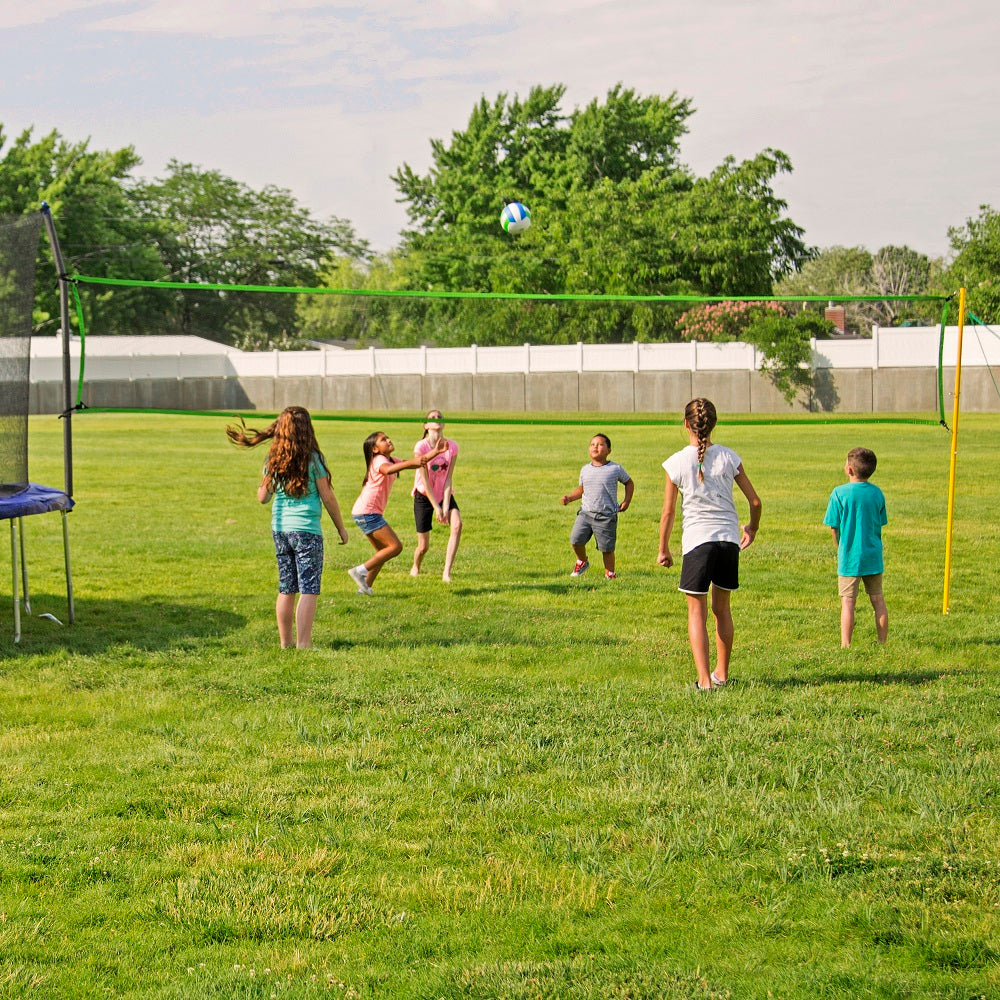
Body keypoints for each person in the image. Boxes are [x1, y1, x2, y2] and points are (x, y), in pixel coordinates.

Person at [658, 398, 762, 690]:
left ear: (685, 425)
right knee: (722, 609)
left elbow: (667, 512)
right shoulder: (729, 457)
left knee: (697, 612)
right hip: (728, 541)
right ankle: (722, 674)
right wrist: (751, 529)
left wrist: (663, 548)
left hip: (698, 543)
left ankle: (704, 681)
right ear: (714, 423)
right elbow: (755, 501)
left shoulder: (676, 462)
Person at [226, 406, 349, 649]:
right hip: (307, 531)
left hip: (280, 530)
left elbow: (262, 497)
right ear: (307, 429)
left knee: (287, 586)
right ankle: (304, 643)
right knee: (309, 587)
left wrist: (269, 479)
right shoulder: (313, 459)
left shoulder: (273, 459)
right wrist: (341, 528)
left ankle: (286, 643)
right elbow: (328, 497)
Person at [348, 430, 445, 595]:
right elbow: (388, 470)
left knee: (383, 552)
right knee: (395, 547)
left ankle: (364, 588)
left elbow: (415, 463)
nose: (388, 440)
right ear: (375, 449)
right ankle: (359, 571)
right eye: (383, 440)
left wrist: (435, 452)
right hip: (367, 512)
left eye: (387, 437)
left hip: (365, 512)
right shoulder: (379, 461)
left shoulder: (390, 459)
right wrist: (411, 463)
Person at [824, 447, 888, 648]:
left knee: (848, 603)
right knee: (878, 600)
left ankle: (846, 645)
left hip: (849, 556)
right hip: (873, 555)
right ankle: (882, 642)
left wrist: (839, 547)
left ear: (849, 470)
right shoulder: (877, 493)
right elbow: (880, 522)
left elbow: (834, 527)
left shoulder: (838, 493)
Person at [560, 433, 634, 579]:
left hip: (606, 516)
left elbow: (629, 483)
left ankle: (610, 573)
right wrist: (569, 498)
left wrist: (626, 501)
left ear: (608, 450)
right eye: (593, 444)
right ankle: (582, 561)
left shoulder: (615, 468)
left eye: (600, 444)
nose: (596, 447)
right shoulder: (585, 469)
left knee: (606, 548)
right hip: (586, 514)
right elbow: (582, 490)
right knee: (575, 539)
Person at [410, 410, 462, 582]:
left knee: (457, 526)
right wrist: (437, 507)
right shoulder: (421, 447)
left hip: (443, 494)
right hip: (424, 496)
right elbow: (424, 481)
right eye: (432, 418)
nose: (437, 420)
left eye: (439, 417)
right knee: (424, 546)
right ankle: (416, 565)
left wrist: (445, 505)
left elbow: (448, 478)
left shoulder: (452, 446)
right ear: (425, 425)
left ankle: (446, 572)